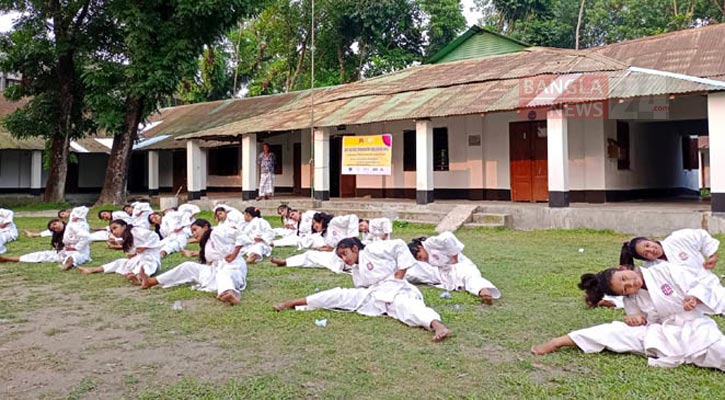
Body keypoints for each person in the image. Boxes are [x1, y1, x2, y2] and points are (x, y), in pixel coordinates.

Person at [531, 262, 725, 371]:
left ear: (623, 269)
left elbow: (701, 282)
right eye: (625, 289)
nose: (631, 284)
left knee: (716, 351)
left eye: (625, 278)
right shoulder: (632, 299)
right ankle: (559, 341)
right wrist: (637, 320)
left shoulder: (663, 270)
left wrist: (694, 297)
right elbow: (645, 322)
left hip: (695, 325)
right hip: (663, 332)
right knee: (615, 330)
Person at [275, 238, 451, 342]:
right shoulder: (356, 269)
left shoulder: (373, 249)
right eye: (341, 257)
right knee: (339, 294)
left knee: (407, 306)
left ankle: (438, 326)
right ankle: (293, 302)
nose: (344, 259)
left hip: (397, 289)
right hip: (373, 294)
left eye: (345, 254)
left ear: (354, 248)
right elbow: (363, 288)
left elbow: (398, 244)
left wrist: (401, 272)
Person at [138, 219, 247, 306]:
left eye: (195, 230)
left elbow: (241, 235)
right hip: (215, 270)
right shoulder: (206, 243)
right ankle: (151, 281)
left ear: (205, 227)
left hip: (233, 268)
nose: (194, 234)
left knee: (223, 273)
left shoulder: (218, 231)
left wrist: (234, 254)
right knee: (188, 266)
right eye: (192, 232)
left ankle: (230, 293)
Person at [406, 232, 500, 305]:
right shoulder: (425, 258)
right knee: (417, 274)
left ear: (420, 247)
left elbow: (448, 236)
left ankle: (482, 290)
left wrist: (454, 255)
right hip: (444, 272)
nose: (422, 259)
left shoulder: (431, 243)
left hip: (459, 265)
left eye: (420, 256)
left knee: (469, 278)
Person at [270, 212, 359, 273]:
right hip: (339, 258)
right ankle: (285, 262)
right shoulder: (325, 235)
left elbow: (353, 217)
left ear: (321, 221)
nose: (314, 226)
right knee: (310, 255)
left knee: (318, 258)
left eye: (314, 223)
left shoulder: (334, 222)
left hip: (352, 253)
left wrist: (352, 238)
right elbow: (333, 248)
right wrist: (322, 249)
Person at [79, 219, 161, 284]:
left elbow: (154, 236)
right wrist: (116, 246)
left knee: (146, 264)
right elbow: (131, 253)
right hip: (137, 260)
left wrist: (145, 247)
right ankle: (94, 269)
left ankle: (139, 277)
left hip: (151, 259)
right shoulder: (126, 237)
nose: (114, 232)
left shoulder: (136, 231)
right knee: (120, 262)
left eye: (115, 228)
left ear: (124, 226)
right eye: (111, 230)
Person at [0, 218, 90, 270]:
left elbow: (85, 238)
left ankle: (67, 265)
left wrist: (75, 248)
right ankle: (10, 259)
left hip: (79, 252)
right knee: (41, 255)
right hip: (61, 253)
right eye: (53, 228)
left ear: (61, 221)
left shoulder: (73, 228)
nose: (55, 227)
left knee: (73, 257)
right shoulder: (56, 234)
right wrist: (59, 247)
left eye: (55, 224)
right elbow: (47, 236)